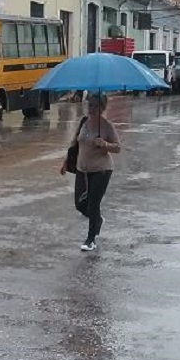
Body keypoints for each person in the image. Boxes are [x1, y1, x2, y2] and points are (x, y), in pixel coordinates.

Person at [60, 94, 121, 252]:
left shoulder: (107, 126)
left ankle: (91, 238)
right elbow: (75, 142)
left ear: (102, 108)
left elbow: (118, 147)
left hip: (102, 170)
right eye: (89, 105)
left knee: (94, 204)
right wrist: (66, 161)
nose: (91, 108)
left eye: (94, 106)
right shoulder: (83, 122)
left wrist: (105, 144)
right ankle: (97, 220)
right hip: (82, 168)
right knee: (80, 204)